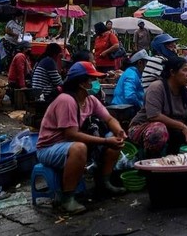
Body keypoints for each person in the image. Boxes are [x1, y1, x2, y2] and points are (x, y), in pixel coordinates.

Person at [36, 61, 127, 214]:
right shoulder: (66, 100)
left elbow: (109, 119)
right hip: (49, 148)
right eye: (92, 79)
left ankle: (104, 183)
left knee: (114, 142)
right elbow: (71, 134)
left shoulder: (90, 100)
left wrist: (119, 132)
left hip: (69, 144)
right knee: (80, 148)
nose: (96, 83)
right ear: (81, 83)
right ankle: (67, 199)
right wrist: (105, 141)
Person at [128, 56, 187, 158]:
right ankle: (152, 164)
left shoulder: (186, 90)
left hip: (172, 129)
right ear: (172, 72)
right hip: (143, 127)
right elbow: (154, 116)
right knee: (158, 130)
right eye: (185, 70)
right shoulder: (157, 88)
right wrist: (182, 126)